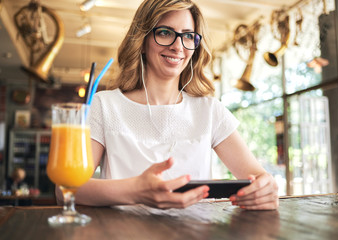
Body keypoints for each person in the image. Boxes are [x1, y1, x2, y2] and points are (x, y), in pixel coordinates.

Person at [60, 0, 278, 210]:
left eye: (188, 36)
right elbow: (65, 190)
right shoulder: (105, 105)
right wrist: (135, 191)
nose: (177, 46)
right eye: (165, 32)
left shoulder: (210, 110)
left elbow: (258, 177)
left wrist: (266, 189)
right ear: (142, 41)